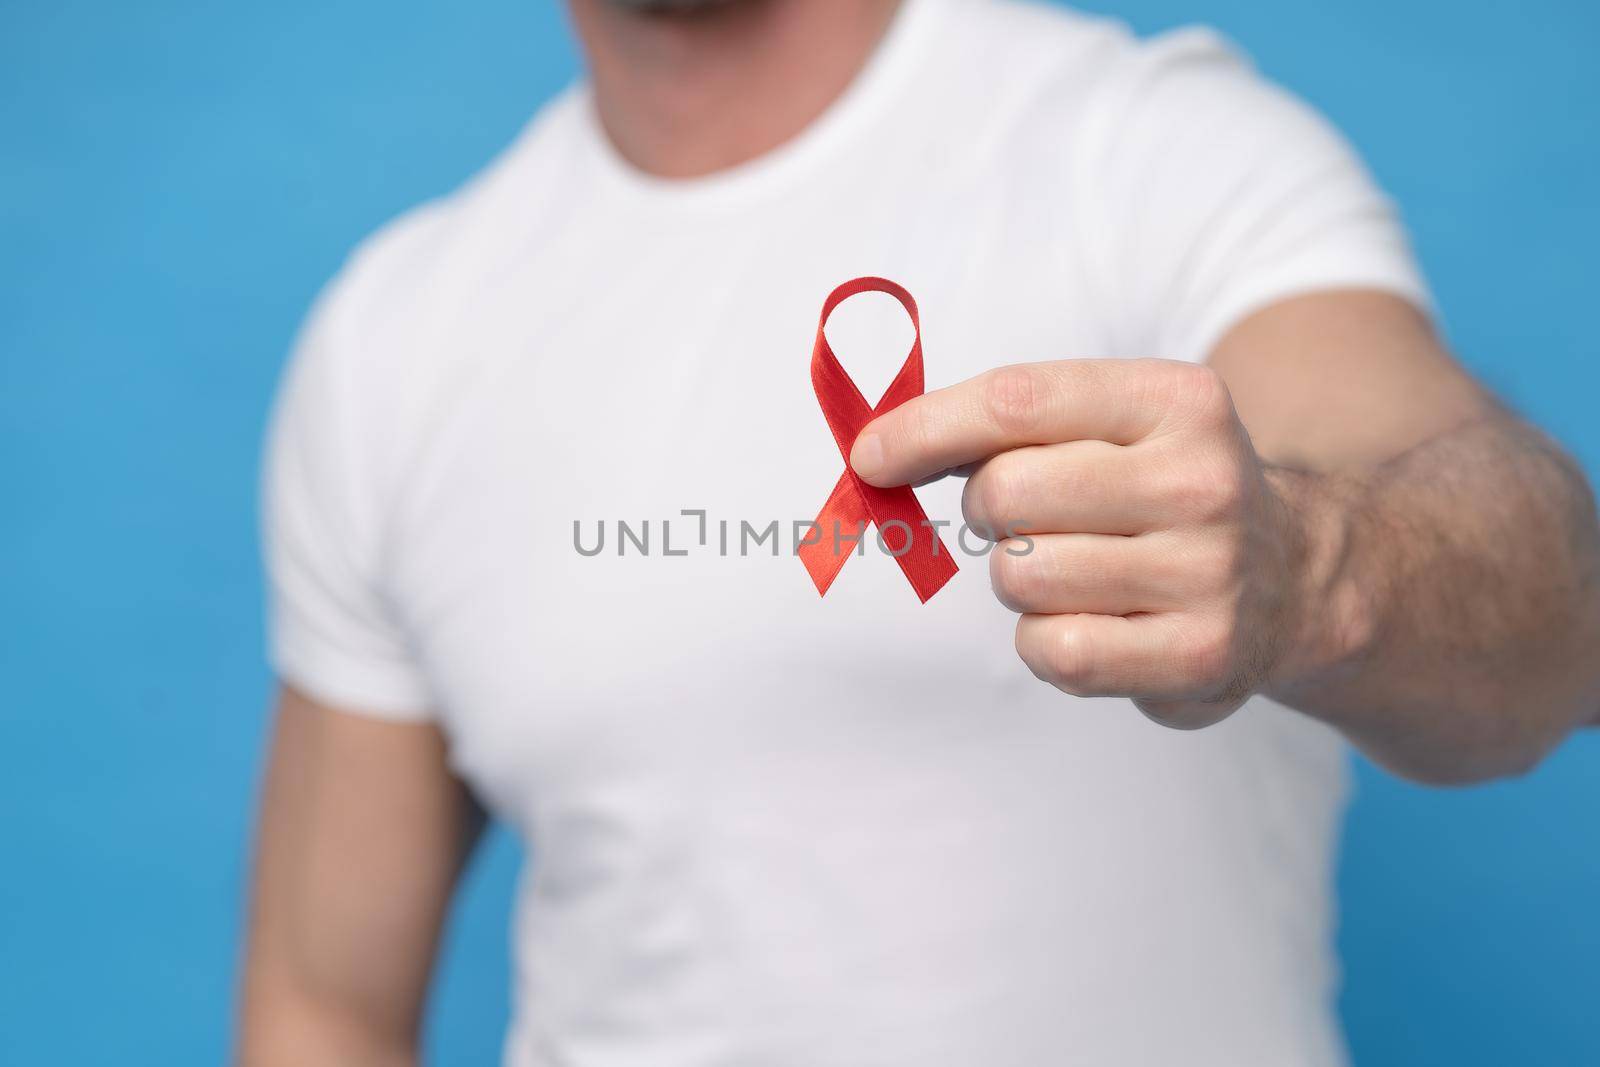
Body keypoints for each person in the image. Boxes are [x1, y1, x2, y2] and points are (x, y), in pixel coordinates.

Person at [237, 0, 1600, 1064]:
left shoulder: (1151, 154)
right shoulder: (396, 340)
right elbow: (321, 1008)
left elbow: (1563, 631)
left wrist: (1313, 570)